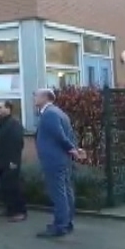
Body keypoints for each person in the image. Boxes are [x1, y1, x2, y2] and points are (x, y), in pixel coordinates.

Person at [34, 88, 86, 238]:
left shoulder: (49, 114)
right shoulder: (59, 112)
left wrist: (72, 149)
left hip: (54, 159)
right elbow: (69, 134)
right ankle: (67, 222)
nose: (34, 98)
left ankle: (60, 226)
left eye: (36, 95)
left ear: (45, 97)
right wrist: (73, 149)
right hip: (63, 159)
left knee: (58, 193)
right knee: (66, 191)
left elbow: (60, 135)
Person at [0, 100, 27, 222]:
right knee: (6, 186)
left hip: (11, 161)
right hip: (2, 161)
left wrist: (13, 161)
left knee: (14, 186)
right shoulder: (2, 123)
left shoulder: (14, 124)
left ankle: (20, 211)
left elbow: (17, 144)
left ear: (8, 109)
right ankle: (10, 209)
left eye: (0, 107)